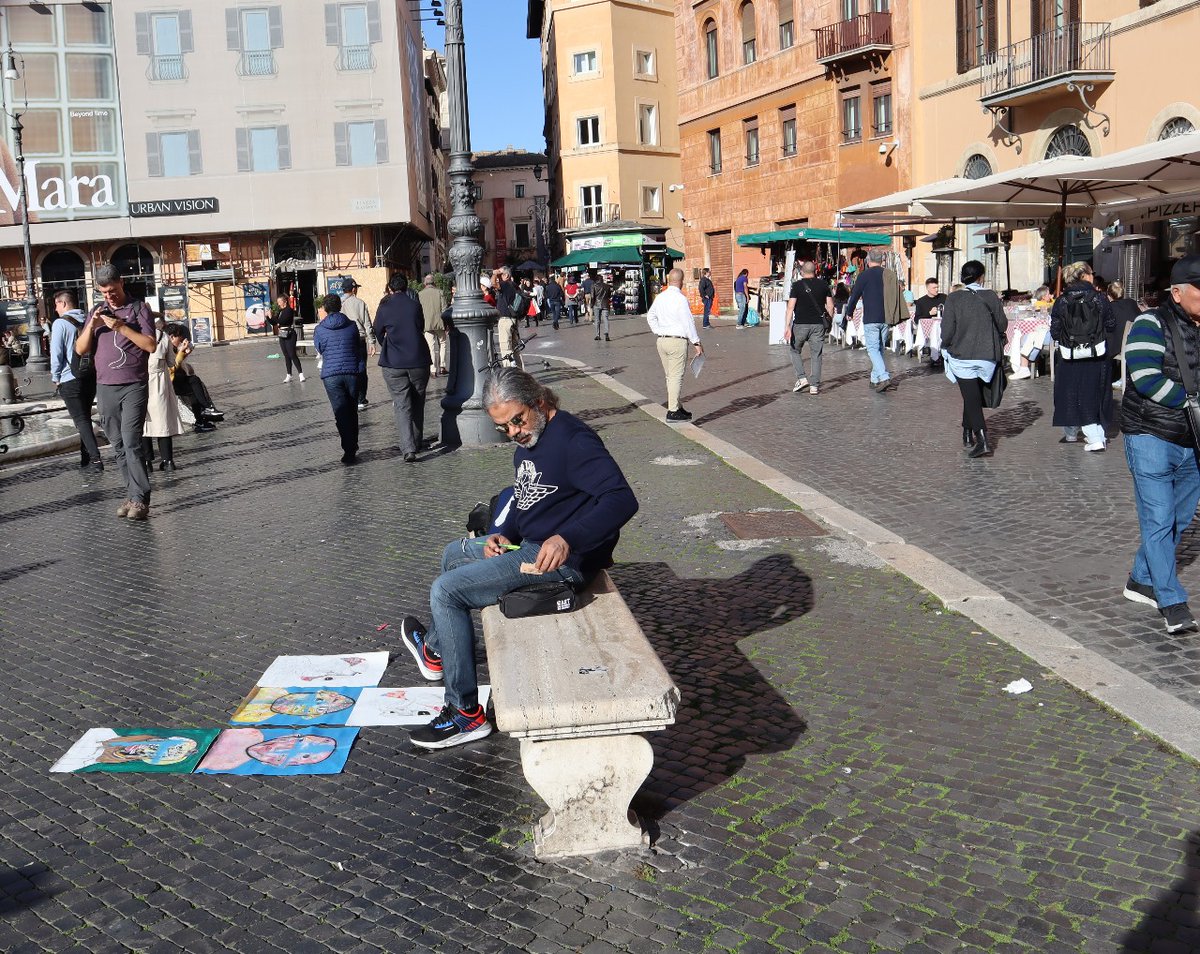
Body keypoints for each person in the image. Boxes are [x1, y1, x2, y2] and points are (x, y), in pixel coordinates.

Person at [398, 367, 639, 749]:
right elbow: (524, 493)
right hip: (523, 544)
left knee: (447, 592)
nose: (513, 432)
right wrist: (503, 533)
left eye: (517, 421)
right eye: (503, 428)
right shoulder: (534, 437)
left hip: (555, 564)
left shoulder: (574, 441)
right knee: (453, 554)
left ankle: (464, 714)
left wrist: (568, 539)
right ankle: (436, 649)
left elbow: (622, 499)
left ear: (539, 402)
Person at [1120, 254, 1200, 634]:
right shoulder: (1149, 323)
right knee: (1159, 518)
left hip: (1193, 438)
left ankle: (1140, 578)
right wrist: (1192, 401)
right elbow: (1146, 377)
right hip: (1149, 433)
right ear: (1177, 292)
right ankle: (1170, 600)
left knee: (1179, 519)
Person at [74, 264, 157, 520]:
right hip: (105, 386)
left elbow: (151, 345)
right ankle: (132, 495)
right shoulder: (96, 311)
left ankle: (141, 498)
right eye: (103, 292)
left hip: (133, 385)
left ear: (121, 283)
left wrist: (121, 327)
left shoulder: (139, 309)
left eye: (111, 290)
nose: (108, 296)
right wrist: (92, 325)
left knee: (131, 442)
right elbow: (80, 350)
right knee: (118, 444)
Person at [940, 260, 1007, 459]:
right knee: (972, 394)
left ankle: (982, 439)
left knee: (970, 396)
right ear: (981, 277)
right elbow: (1002, 324)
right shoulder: (991, 296)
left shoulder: (954, 298)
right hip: (988, 355)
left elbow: (947, 330)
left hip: (963, 355)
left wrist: (945, 345)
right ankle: (967, 432)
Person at [1051, 261, 1116, 451]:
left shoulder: (1061, 300)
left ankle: (1070, 433)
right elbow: (1111, 324)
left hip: (1069, 354)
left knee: (1068, 391)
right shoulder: (1100, 298)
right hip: (1096, 354)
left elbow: (1055, 330)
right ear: (1085, 275)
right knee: (1094, 392)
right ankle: (1096, 433)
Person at [373, 274, 432, 463]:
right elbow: (420, 327)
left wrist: (387, 344)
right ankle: (416, 441)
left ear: (390, 288)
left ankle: (408, 448)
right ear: (407, 288)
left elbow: (377, 330)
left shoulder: (384, 307)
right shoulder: (415, 305)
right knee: (418, 401)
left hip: (394, 361)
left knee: (401, 404)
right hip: (418, 359)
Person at [49, 289, 102, 472]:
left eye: (56, 304)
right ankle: (85, 458)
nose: (55, 309)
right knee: (85, 417)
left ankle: (95, 459)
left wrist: (55, 377)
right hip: (90, 375)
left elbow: (56, 353)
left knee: (81, 420)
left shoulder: (60, 324)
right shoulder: (87, 319)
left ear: (63, 303)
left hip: (69, 377)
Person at [646, 268, 704, 422]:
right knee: (676, 377)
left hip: (662, 340)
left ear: (669, 280)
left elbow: (650, 316)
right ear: (681, 281)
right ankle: (672, 411)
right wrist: (696, 342)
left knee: (669, 376)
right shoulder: (680, 299)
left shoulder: (660, 297)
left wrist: (658, 330)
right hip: (676, 341)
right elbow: (688, 322)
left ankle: (677, 406)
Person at [313, 293, 361, 465]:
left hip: (331, 375)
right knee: (352, 410)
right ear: (340, 307)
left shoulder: (319, 329)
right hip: (351, 372)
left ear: (325, 309)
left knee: (340, 412)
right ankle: (353, 445)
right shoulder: (352, 326)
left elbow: (319, 348)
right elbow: (357, 346)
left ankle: (348, 449)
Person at [843, 249, 894, 392]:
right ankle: (874, 379)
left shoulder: (864, 275)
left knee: (873, 349)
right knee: (880, 348)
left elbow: (855, 295)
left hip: (871, 317)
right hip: (886, 316)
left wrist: (849, 311)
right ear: (882, 260)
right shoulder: (888, 274)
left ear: (868, 260)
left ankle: (884, 377)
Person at [784, 261, 832, 396]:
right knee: (816, 355)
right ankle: (814, 386)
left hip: (800, 324)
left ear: (802, 272)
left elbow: (790, 307)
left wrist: (787, 326)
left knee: (794, 351)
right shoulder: (823, 284)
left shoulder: (797, 285)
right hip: (818, 325)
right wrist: (829, 321)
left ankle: (802, 378)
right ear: (815, 271)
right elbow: (830, 306)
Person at [141, 319, 184, 471]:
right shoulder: (163, 336)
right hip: (159, 382)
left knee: (143, 422)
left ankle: (146, 462)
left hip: (140, 382)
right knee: (162, 423)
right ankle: (168, 461)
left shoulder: (134, 335)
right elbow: (172, 362)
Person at [339, 277, 376, 411]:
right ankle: (361, 399)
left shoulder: (338, 303)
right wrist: (371, 341)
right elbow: (367, 324)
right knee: (361, 369)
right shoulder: (360, 303)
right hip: (359, 339)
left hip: (344, 340)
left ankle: (350, 397)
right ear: (354, 289)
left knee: (348, 368)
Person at [1107, 280, 1142, 386]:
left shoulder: (1110, 308)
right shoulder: (1132, 303)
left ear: (1109, 295)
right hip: (1135, 341)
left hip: (1117, 345)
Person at [493, 266, 523, 369]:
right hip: (514, 319)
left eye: (501, 274)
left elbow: (493, 284)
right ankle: (520, 371)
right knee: (515, 348)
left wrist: (494, 274)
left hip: (505, 319)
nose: (499, 277)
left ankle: (509, 372)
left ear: (506, 275)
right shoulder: (514, 285)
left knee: (506, 347)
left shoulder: (505, 284)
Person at [418, 274, 448, 376]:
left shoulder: (420, 294)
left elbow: (419, 311)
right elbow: (444, 309)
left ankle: (433, 369)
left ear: (425, 283)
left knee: (430, 346)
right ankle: (443, 366)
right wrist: (446, 324)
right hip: (439, 322)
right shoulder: (440, 292)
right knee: (442, 343)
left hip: (426, 324)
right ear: (434, 282)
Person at [913, 277, 946, 361]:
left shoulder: (944, 297)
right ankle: (935, 357)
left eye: (937, 287)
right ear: (927, 288)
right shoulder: (921, 301)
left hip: (944, 327)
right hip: (929, 330)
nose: (936, 290)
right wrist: (929, 314)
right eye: (934, 288)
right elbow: (917, 319)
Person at [274, 294, 304, 383]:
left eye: (280, 302)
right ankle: (289, 374)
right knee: (286, 355)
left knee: (292, 354)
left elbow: (282, 321)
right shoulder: (280, 311)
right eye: (278, 302)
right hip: (282, 334)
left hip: (290, 333)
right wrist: (268, 317)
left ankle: (300, 374)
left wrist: (272, 317)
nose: (279, 304)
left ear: (285, 301)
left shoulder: (289, 310)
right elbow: (275, 322)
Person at [592, 273, 612, 342]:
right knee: (605, 319)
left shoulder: (594, 286)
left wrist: (591, 305)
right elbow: (609, 296)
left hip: (597, 304)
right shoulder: (607, 286)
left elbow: (592, 296)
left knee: (597, 320)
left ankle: (598, 335)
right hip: (605, 304)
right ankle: (606, 333)